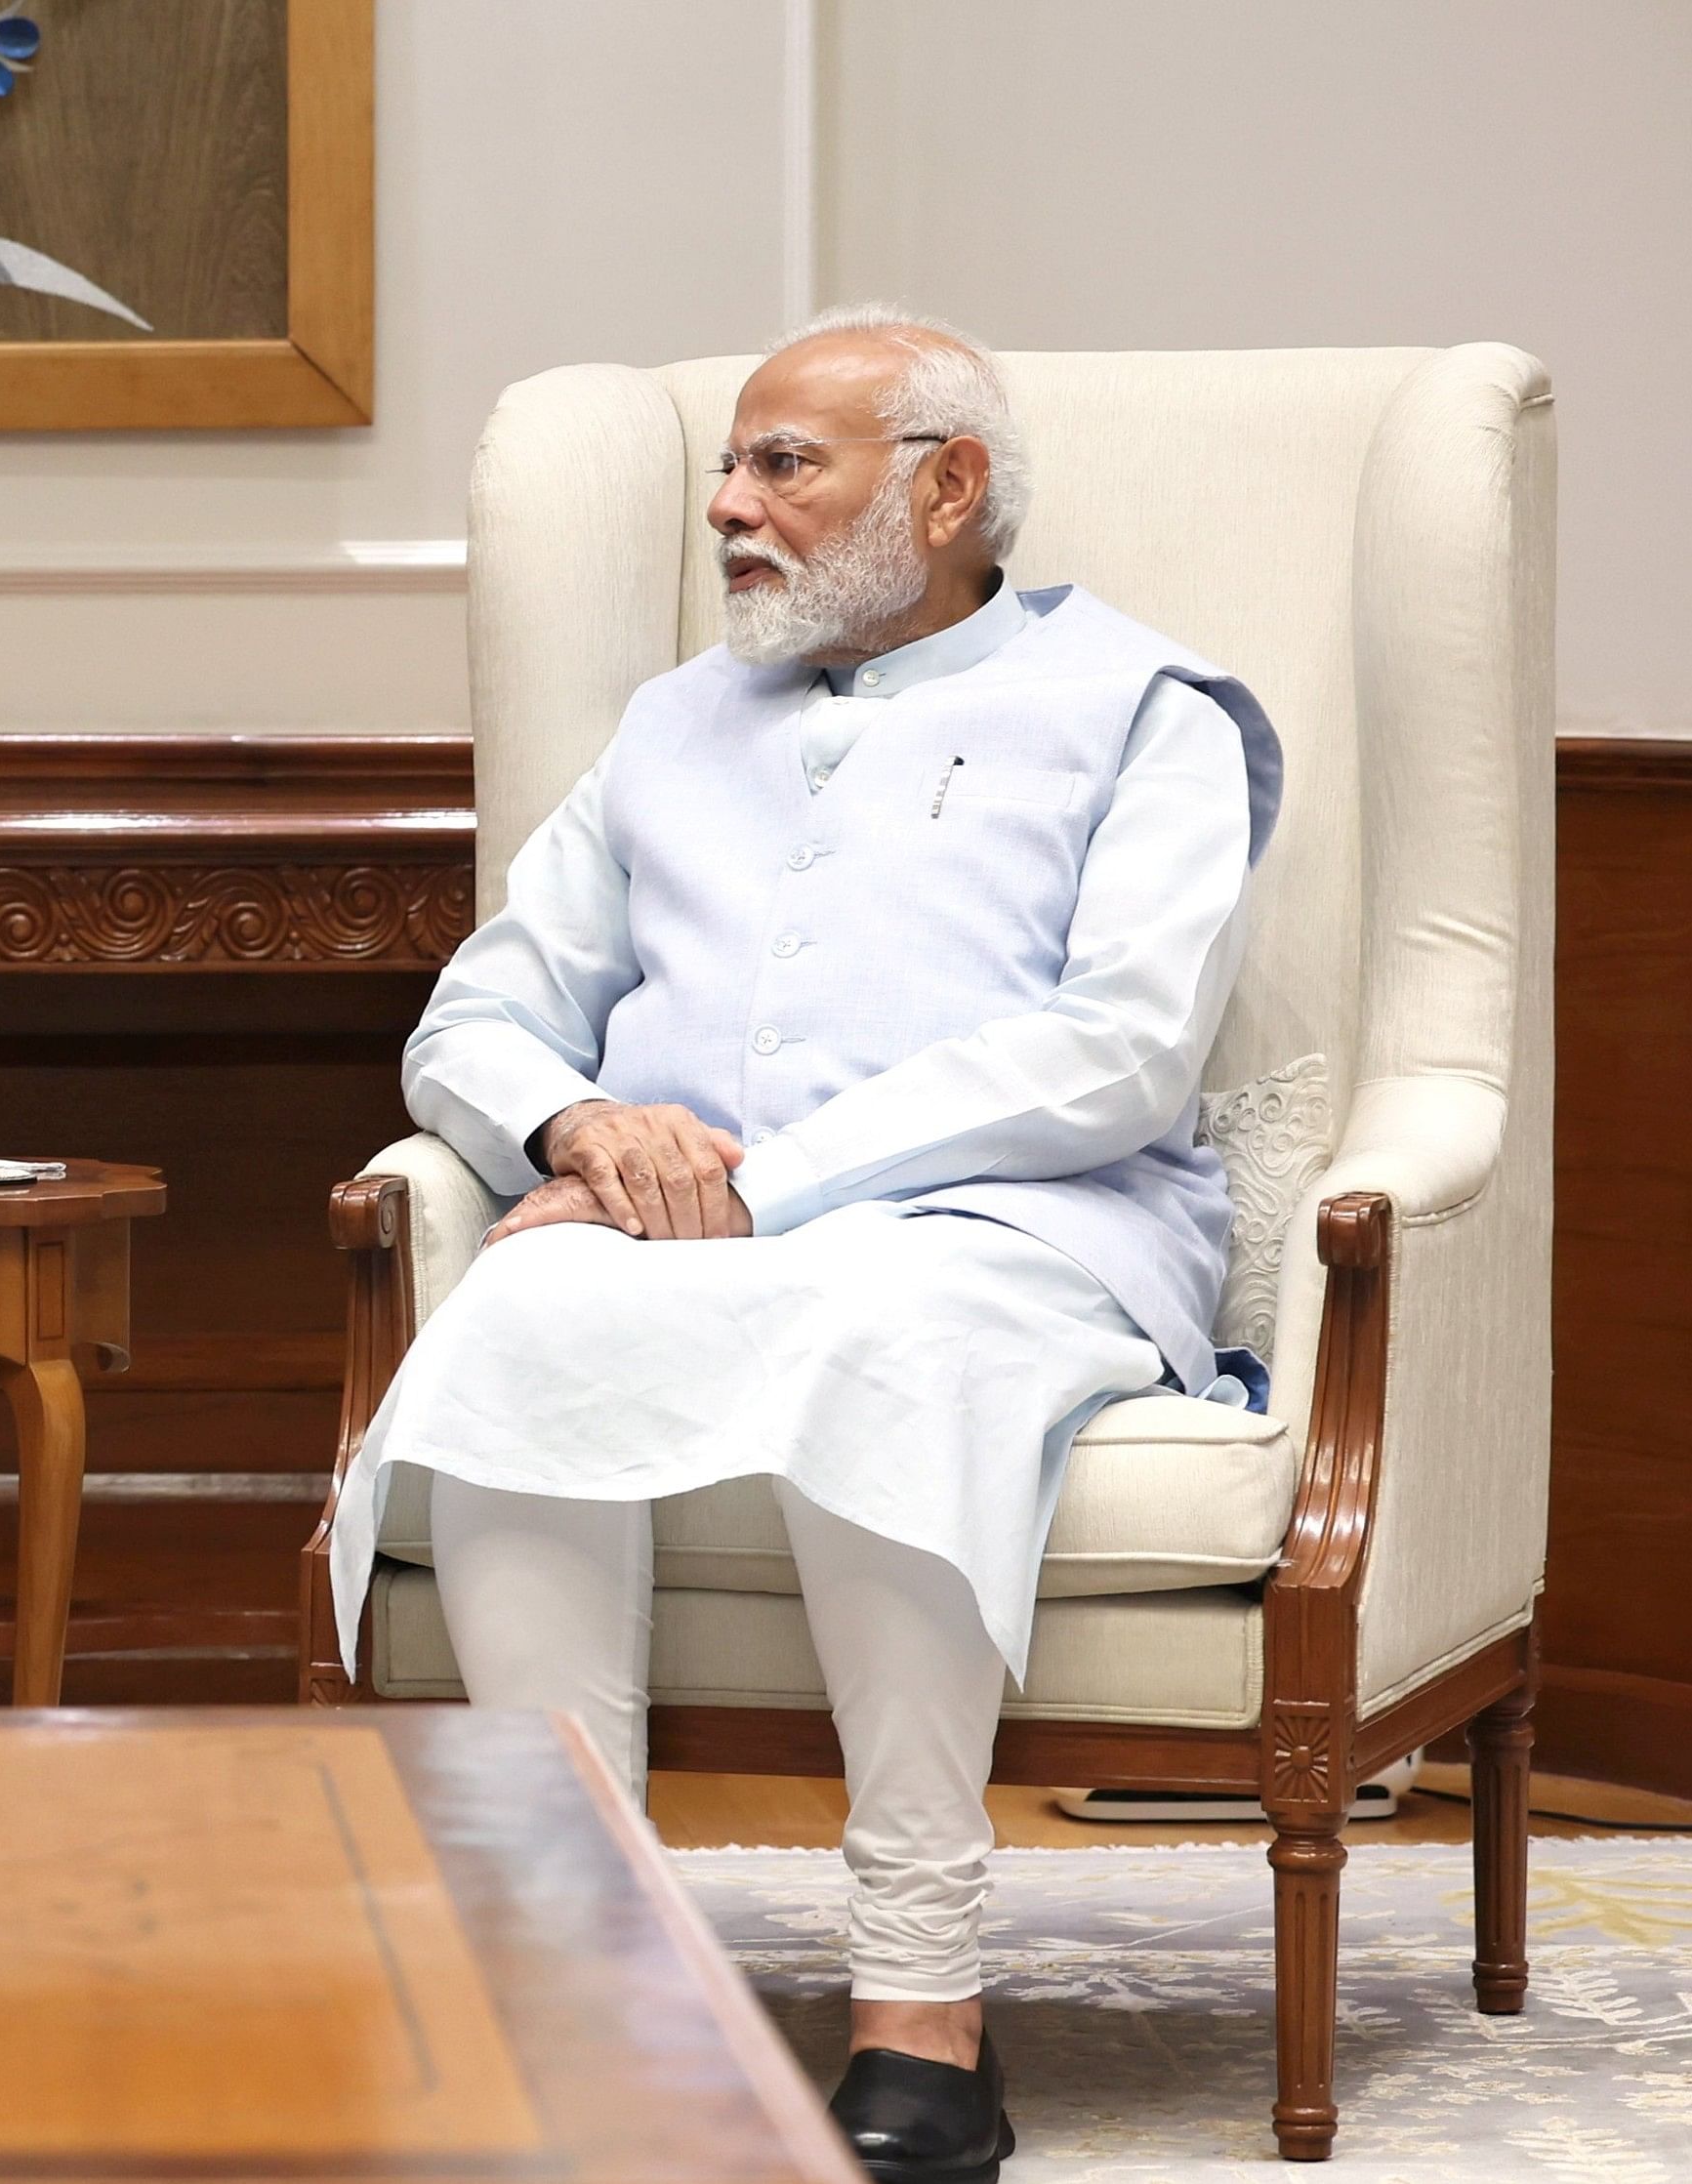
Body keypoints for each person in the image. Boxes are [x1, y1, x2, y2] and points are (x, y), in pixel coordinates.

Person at [327, 309, 1280, 2183]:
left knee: (889, 1327)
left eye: (783, 466)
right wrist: (577, 1126)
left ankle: (920, 2005)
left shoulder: (1149, 709)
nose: (727, 506)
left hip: (1018, 1222)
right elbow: (478, 1016)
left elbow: (1121, 1049)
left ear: (945, 488)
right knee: (522, 1315)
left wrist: (766, 1185)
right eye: (727, 466)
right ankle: (574, 1976)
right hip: (658, 1221)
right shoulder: (669, 727)